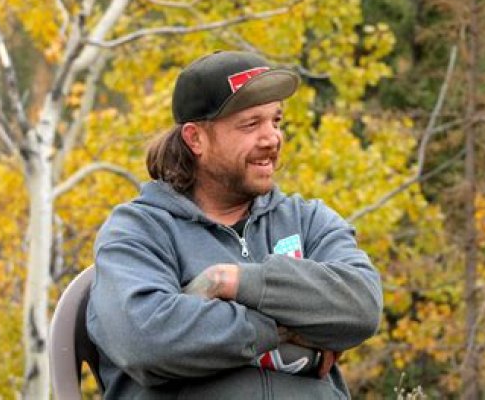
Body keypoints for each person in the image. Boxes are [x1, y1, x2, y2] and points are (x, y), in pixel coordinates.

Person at [87, 51, 383, 399]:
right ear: (195, 138)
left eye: (276, 121)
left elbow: (362, 306)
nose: (271, 138)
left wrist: (230, 281)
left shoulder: (307, 219)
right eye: (250, 124)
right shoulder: (138, 230)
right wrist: (288, 325)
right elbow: (145, 339)